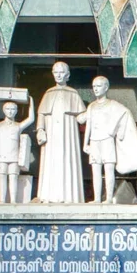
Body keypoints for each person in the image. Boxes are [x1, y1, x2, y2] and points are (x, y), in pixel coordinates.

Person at [80, 75, 137, 204]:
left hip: (107, 140)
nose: (96, 89)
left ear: (106, 87)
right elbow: (88, 125)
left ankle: (108, 198)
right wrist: (86, 143)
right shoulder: (91, 106)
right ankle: (96, 198)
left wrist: (114, 130)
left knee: (108, 169)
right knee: (95, 170)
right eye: (94, 86)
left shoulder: (113, 105)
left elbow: (125, 113)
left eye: (99, 86)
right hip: (94, 141)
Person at [35, 61, 86, 203]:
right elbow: (42, 114)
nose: (58, 75)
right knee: (51, 161)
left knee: (68, 160)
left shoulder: (73, 93)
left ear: (68, 75)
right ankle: (49, 196)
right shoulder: (49, 93)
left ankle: (70, 196)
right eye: (55, 72)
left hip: (69, 135)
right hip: (51, 135)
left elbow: (81, 116)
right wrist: (40, 130)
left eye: (61, 72)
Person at [0, 97, 34, 204]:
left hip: (14, 157)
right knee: (2, 178)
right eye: (8, 109)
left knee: (13, 178)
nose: (10, 112)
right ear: (3, 110)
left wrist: (31, 102)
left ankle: (13, 200)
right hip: (1, 156)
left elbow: (31, 119)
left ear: (16, 111)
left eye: (13, 109)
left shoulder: (18, 126)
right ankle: (2, 200)